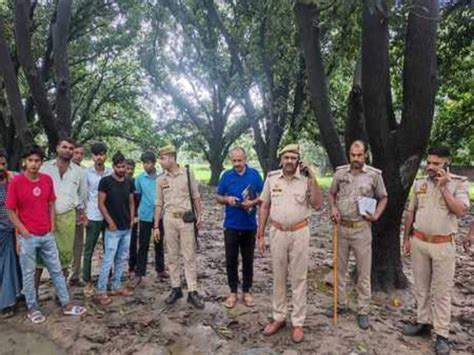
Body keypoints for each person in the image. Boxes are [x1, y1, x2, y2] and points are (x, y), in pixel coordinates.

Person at [6, 145, 86, 324]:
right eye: (30, 161)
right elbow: (10, 210)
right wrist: (23, 231)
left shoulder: (46, 180)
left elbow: (51, 203)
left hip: (47, 235)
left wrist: (50, 225)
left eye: (37, 161)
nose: (34, 164)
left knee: (57, 270)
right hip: (28, 237)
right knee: (29, 272)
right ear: (24, 162)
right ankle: (32, 308)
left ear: (42, 163)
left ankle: (66, 304)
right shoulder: (16, 183)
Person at [402, 146, 470, 355]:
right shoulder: (420, 183)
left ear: (446, 163)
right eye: (429, 162)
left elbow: (460, 210)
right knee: (421, 287)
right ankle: (423, 323)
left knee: (441, 292)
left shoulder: (459, 183)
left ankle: (442, 334)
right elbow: (411, 212)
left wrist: (443, 188)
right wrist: (406, 239)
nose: (431, 167)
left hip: (443, 246)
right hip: (419, 242)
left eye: (436, 163)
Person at [257, 144, 322, 343]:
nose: (290, 161)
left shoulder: (305, 180)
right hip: (277, 232)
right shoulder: (271, 178)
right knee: (278, 276)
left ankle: (298, 322)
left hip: (299, 233)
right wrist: (260, 234)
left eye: (294, 158)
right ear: (281, 159)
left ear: (298, 160)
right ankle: (279, 317)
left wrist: (311, 175)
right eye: (286, 157)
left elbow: (318, 203)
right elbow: (265, 205)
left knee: (299, 278)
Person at [328, 140, 388, 329]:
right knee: (339, 270)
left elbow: (383, 197)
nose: (356, 159)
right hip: (341, 228)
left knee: (363, 272)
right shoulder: (340, 173)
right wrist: (333, 208)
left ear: (365, 155)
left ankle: (363, 310)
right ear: (349, 155)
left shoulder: (374, 175)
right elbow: (331, 193)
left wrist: (377, 214)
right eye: (353, 155)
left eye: (359, 155)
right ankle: (341, 304)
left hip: (362, 228)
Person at [153, 145, 204, 309]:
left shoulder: (187, 174)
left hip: (186, 220)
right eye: (160, 158)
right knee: (173, 256)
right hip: (169, 220)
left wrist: (200, 214)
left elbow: (195, 196)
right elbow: (159, 203)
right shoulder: (161, 179)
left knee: (189, 256)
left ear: (172, 158)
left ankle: (192, 291)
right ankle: (176, 288)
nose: (161, 162)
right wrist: (156, 226)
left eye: (163, 158)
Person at [216, 147, 263, 308]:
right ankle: (232, 292)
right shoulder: (226, 176)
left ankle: (247, 291)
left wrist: (252, 202)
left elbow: (263, 196)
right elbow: (217, 196)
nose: (237, 164)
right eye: (234, 161)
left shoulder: (255, 175)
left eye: (240, 160)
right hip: (231, 225)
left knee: (248, 260)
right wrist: (227, 199)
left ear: (245, 159)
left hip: (249, 225)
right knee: (231, 260)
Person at [38, 138, 87, 292]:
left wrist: (81, 214)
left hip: (68, 217)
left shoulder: (79, 172)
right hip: (43, 217)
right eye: (64, 147)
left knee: (65, 256)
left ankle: (60, 292)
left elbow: (82, 195)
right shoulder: (44, 168)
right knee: (39, 256)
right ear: (57, 148)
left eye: (71, 148)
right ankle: (32, 295)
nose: (68, 150)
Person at [95, 152, 135, 305]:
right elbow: (101, 204)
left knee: (121, 259)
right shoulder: (105, 182)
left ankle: (116, 286)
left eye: (123, 166)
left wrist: (132, 219)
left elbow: (131, 202)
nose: (121, 169)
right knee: (108, 260)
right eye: (118, 167)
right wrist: (110, 222)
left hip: (126, 227)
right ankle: (101, 290)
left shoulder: (130, 182)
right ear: (113, 167)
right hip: (112, 229)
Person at [131, 151, 167, 287]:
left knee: (159, 243)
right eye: (144, 163)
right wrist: (136, 214)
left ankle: (160, 270)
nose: (147, 165)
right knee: (143, 245)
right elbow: (137, 197)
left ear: (154, 162)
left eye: (149, 162)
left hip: (160, 215)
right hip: (145, 215)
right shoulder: (140, 179)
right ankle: (139, 274)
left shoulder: (161, 177)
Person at [82, 142, 112, 297]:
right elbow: (83, 196)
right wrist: (84, 215)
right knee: (89, 250)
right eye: (96, 154)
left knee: (109, 248)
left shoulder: (111, 172)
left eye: (102, 154)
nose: (99, 157)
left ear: (106, 155)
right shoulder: (86, 173)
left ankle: (108, 278)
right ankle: (86, 281)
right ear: (92, 156)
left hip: (109, 217)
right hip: (93, 216)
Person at [0, 149, 21, 318]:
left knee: (14, 264)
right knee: (5, 266)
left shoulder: (14, 178)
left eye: (3, 164)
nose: (1, 167)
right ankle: (6, 302)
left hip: (14, 229)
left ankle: (13, 297)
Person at [70, 143, 87, 286]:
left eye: (81, 153)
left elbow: (84, 194)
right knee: (64, 247)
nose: (79, 156)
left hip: (80, 212)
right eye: (76, 153)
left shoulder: (84, 171)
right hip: (65, 212)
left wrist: (83, 213)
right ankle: (61, 280)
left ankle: (75, 276)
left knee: (78, 245)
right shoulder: (65, 169)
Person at [125, 159, 140, 277]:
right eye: (127, 168)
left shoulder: (135, 183)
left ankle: (132, 267)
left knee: (133, 243)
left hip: (132, 218)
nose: (129, 171)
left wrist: (136, 216)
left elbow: (137, 202)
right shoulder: (116, 182)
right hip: (118, 218)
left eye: (131, 169)